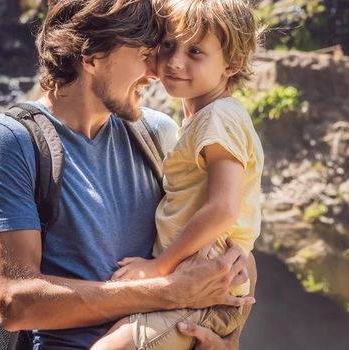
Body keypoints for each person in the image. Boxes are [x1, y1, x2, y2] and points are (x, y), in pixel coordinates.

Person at [0, 0, 257, 349]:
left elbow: (230, 246)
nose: (157, 71)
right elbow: (14, 302)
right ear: (91, 57)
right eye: (147, 53)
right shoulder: (11, 140)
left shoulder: (157, 133)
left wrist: (228, 340)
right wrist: (168, 291)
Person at [89, 0, 264, 348]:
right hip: (198, 289)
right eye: (168, 45)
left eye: (195, 51)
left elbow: (224, 209)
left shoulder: (219, 118)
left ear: (232, 64)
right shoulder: (200, 120)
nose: (175, 62)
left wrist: (160, 268)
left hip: (203, 290)